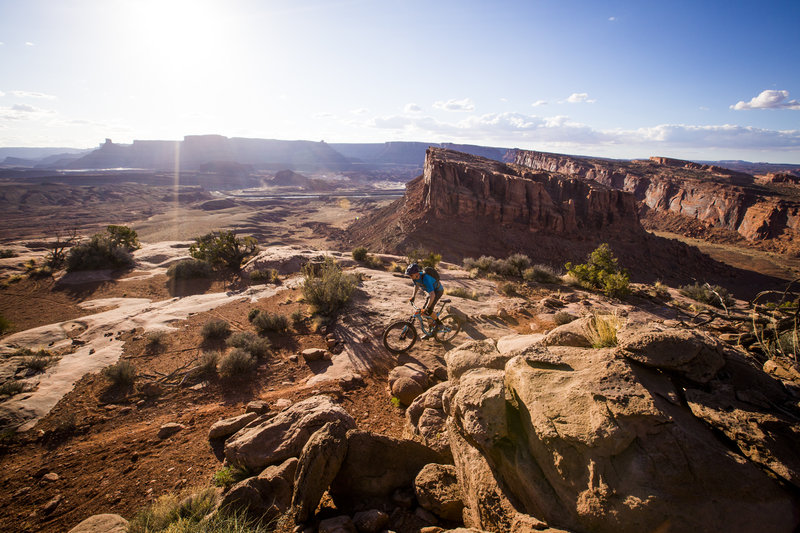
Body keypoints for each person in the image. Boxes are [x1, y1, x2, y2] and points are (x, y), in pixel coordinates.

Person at [405, 263, 444, 339]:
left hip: (437, 291)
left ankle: (440, 324)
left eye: (411, 275)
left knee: (428, 310)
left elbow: (432, 295)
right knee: (425, 313)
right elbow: (416, 285)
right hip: (431, 292)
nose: (410, 277)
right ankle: (431, 332)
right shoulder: (415, 278)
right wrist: (413, 296)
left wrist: (428, 308)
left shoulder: (426, 278)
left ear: (416, 273)